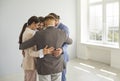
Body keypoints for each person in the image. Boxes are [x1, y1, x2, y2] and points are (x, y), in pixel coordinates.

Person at [19, 15, 72, 81]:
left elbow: (22, 46)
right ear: (55, 23)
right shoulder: (62, 33)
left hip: (44, 67)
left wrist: (22, 47)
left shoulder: (39, 34)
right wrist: (61, 49)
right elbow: (70, 41)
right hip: (57, 66)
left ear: (45, 24)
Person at [18, 16, 54, 81]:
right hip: (30, 63)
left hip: (28, 62)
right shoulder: (31, 33)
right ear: (33, 23)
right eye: (37, 25)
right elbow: (31, 52)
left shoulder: (27, 31)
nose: (38, 27)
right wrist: (43, 52)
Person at [48, 13, 70, 81]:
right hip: (53, 56)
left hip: (62, 55)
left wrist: (61, 50)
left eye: (51, 21)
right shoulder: (52, 27)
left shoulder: (64, 28)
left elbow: (66, 42)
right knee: (55, 75)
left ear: (56, 20)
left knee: (62, 75)